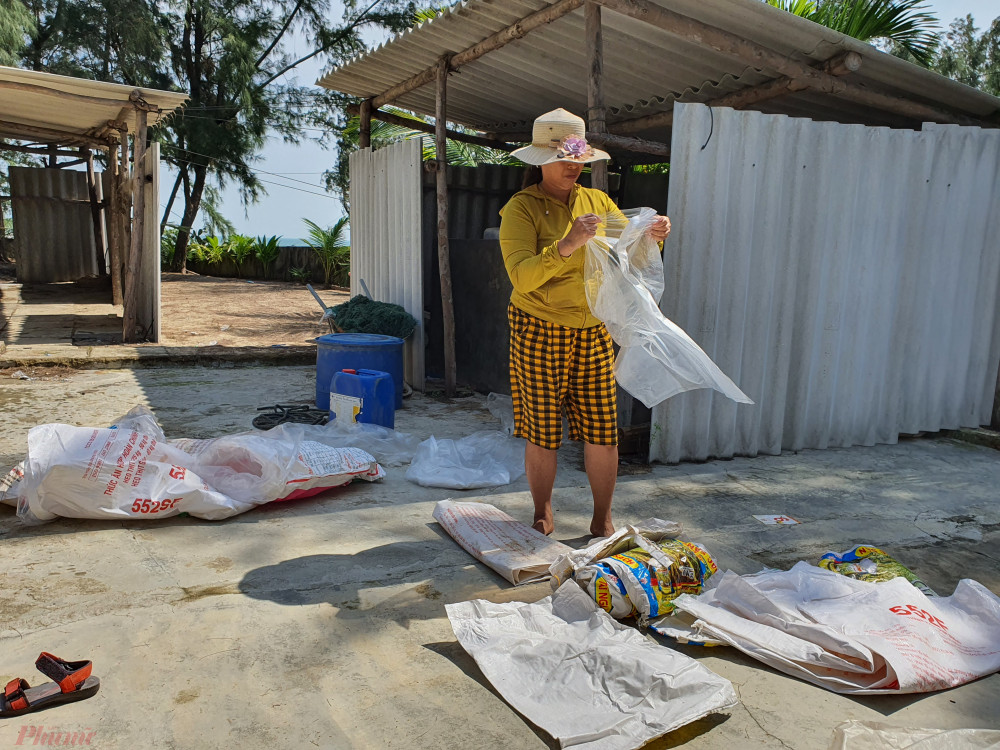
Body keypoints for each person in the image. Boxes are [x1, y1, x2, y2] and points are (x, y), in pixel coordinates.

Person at [499, 108, 671, 538]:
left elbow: (628, 252)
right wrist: (569, 244)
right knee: (542, 430)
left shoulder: (596, 201)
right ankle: (542, 510)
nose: (573, 166)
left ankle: (602, 517)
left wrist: (653, 237)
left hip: (592, 327)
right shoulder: (521, 209)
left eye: (578, 158)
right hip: (538, 326)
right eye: (564, 158)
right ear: (540, 160)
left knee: (603, 429)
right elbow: (521, 276)